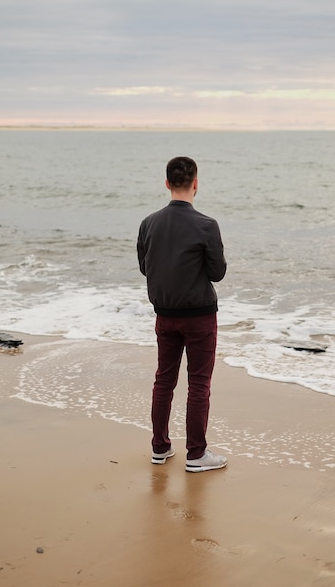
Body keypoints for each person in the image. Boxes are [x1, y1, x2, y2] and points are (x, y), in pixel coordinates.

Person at [137, 156, 228, 473]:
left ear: (166, 183)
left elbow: (145, 267)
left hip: (165, 314)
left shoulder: (149, 223)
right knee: (198, 383)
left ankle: (160, 448)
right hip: (200, 316)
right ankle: (196, 454)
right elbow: (217, 273)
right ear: (196, 183)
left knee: (164, 380)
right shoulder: (206, 225)